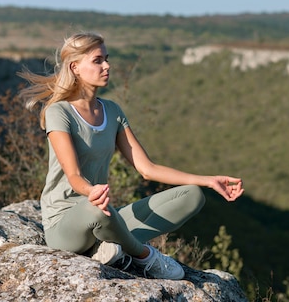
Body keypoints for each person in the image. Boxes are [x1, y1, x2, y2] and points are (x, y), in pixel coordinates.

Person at [18, 32, 244, 280]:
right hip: (65, 224)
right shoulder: (59, 112)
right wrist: (90, 192)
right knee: (96, 210)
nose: (107, 66)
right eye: (97, 60)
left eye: (107, 58)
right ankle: (144, 256)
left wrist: (208, 180)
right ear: (76, 68)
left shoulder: (112, 111)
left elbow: (147, 168)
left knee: (192, 195)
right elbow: (73, 175)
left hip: (103, 215)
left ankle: (108, 248)